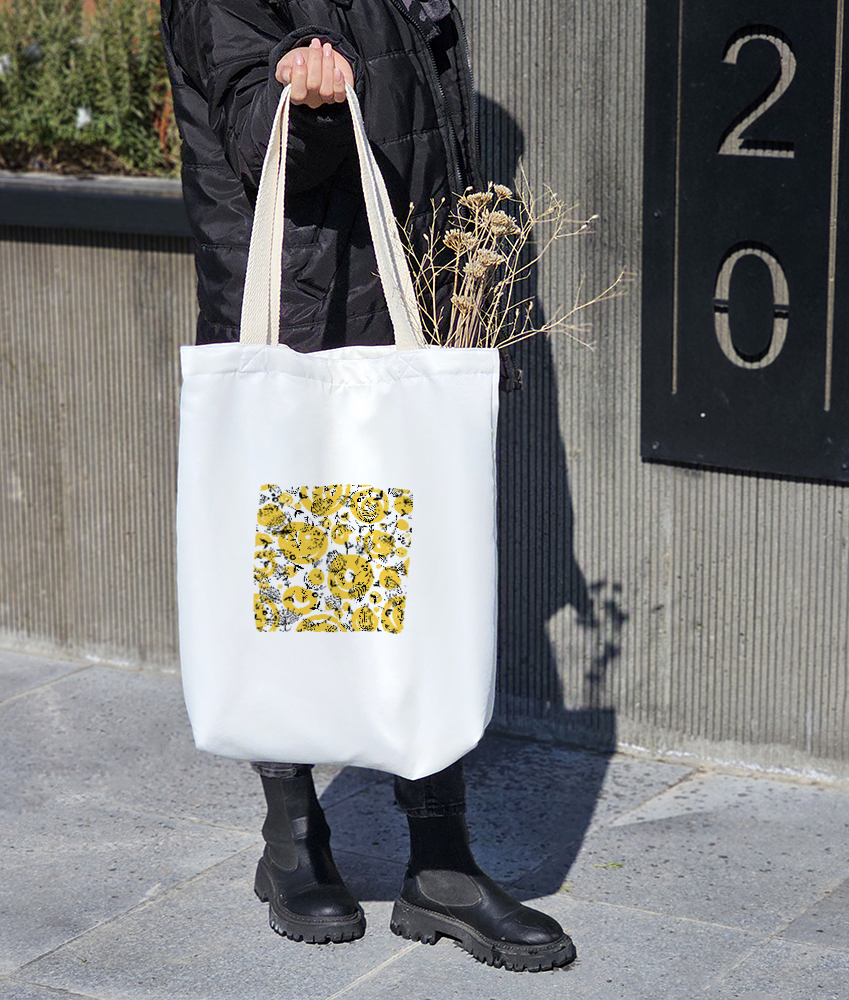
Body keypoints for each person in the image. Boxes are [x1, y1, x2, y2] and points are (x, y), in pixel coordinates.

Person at [159, 0, 574, 973]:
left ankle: (441, 861)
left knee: (422, 581)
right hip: (303, 302)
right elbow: (254, 134)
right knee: (300, 588)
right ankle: (293, 837)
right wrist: (301, 106)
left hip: (399, 300)